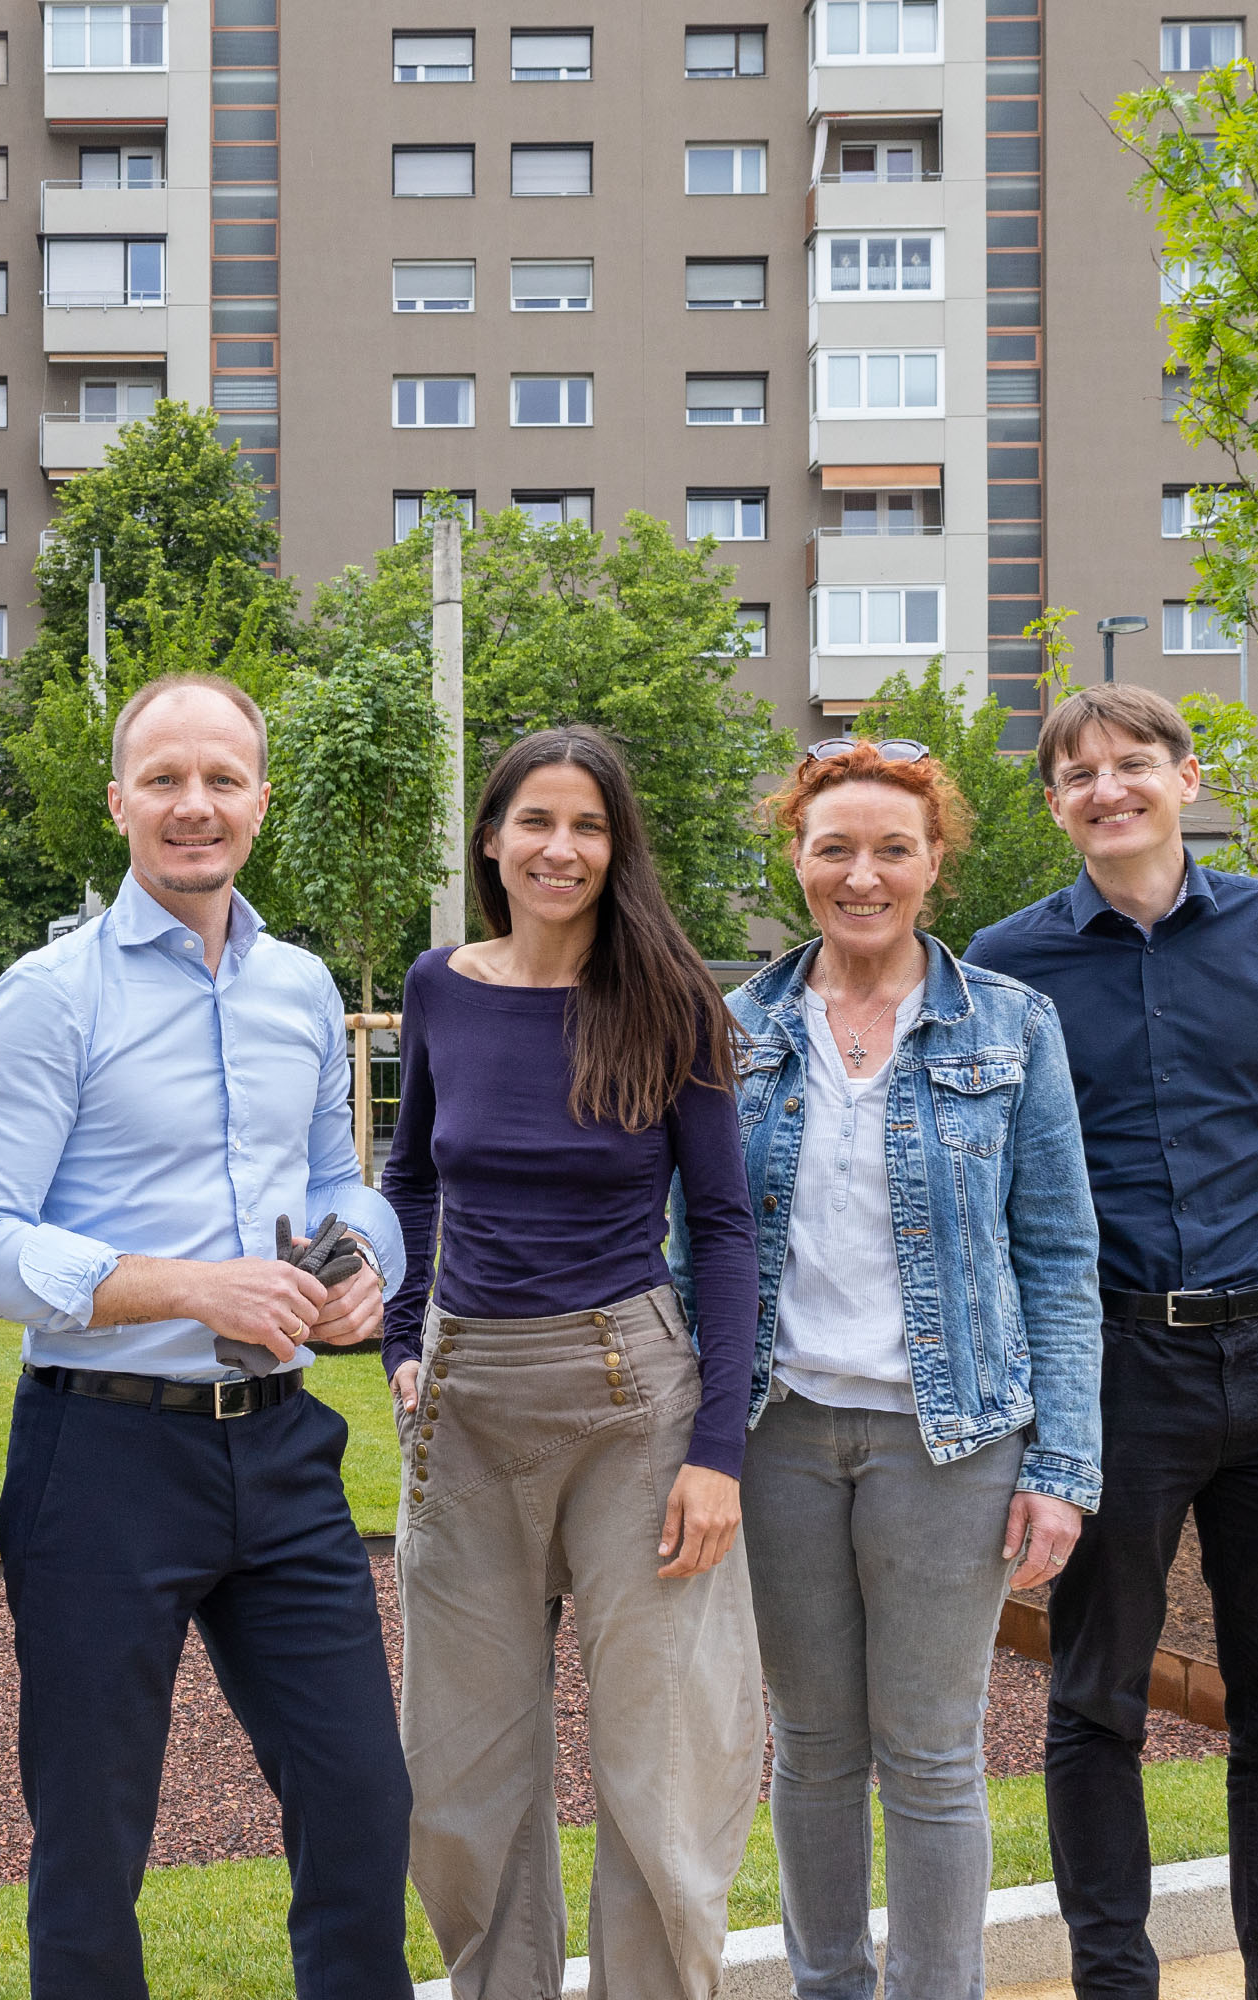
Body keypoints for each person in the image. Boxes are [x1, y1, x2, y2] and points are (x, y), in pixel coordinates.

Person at [0, 671, 413, 1999]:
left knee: (366, 1809)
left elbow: (337, 1176)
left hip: (283, 1454)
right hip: (102, 1463)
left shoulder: (306, 990)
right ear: (119, 804)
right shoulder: (48, 995)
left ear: (261, 800)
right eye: (164, 780)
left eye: (220, 779)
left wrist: (366, 1252)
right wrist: (187, 1287)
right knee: (93, 1847)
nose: (193, 806)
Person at [969, 685, 1258, 2000]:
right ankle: (1116, 1985)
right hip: (1107, 1374)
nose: (1109, 788)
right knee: (1095, 1700)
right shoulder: (1004, 964)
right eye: (1077, 773)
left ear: (1187, 777)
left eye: (1133, 763)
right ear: (1054, 804)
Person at [380, 725, 763, 2000]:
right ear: (492, 838)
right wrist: (403, 1337)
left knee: (662, 1765)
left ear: (617, 846)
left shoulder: (672, 1001)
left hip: (635, 1407)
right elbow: (415, 1177)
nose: (561, 847)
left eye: (588, 825)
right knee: (461, 1770)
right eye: (536, 821)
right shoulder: (440, 985)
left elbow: (722, 1224)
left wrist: (717, 1452)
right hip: (466, 1404)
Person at [729, 738, 1101, 2000]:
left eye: (893, 847)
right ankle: (827, 1986)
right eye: (834, 846)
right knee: (814, 1746)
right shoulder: (733, 1030)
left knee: (934, 1752)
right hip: (778, 1430)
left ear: (936, 863)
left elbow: (1056, 1251)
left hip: (955, 1441)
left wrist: (1063, 1466)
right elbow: (695, 1246)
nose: (862, 873)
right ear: (797, 856)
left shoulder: (1012, 1023)